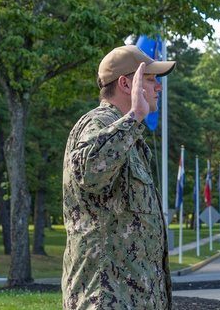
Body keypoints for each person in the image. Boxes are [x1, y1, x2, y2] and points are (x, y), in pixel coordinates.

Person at [62, 45, 176, 309]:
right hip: (106, 300)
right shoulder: (96, 124)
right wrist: (135, 115)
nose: (158, 87)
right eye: (150, 79)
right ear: (126, 84)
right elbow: (90, 173)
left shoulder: (128, 135)